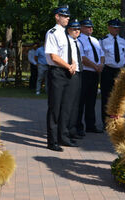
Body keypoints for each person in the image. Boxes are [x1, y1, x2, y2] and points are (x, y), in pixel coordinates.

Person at [45, 5, 79, 152]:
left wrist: (73, 64)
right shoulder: (52, 33)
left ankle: (63, 137)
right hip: (57, 72)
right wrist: (67, 66)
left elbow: (70, 53)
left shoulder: (67, 34)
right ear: (57, 17)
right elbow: (54, 56)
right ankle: (52, 141)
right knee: (55, 108)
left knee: (66, 108)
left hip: (68, 72)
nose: (67, 18)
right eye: (65, 16)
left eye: (68, 16)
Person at [100, 18, 125, 128]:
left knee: (119, 97)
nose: (116, 29)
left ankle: (117, 120)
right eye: (114, 27)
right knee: (107, 97)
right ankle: (106, 122)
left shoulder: (123, 41)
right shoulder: (103, 41)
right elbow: (101, 57)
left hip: (119, 71)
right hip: (107, 70)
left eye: (118, 28)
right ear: (109, 28)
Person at [77, 18, 104, 136]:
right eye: (88, 27)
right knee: (80, 101)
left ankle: (90, 125)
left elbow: (102, 55)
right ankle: (78, 126)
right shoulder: (79, 41)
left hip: (94, 73)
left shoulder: (95, 40)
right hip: (85, 73)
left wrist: (101, 65)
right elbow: (82, 58)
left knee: (91, 100)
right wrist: (95, 66)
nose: (91, 29)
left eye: (91, 27)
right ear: (81, 27)